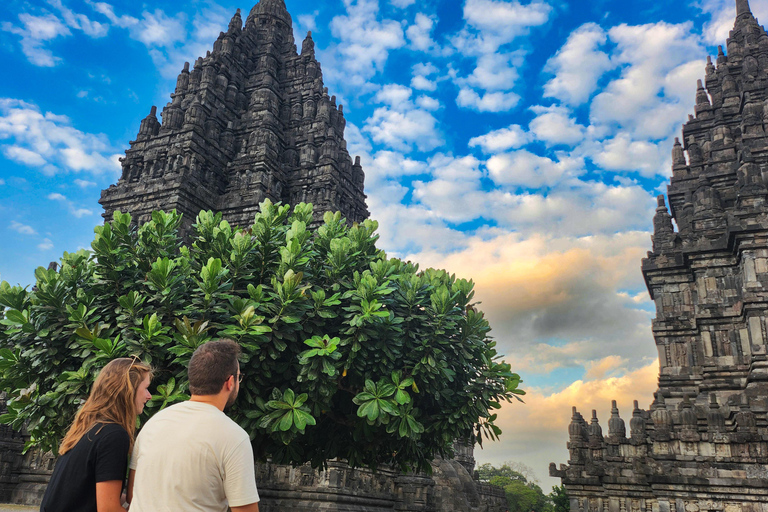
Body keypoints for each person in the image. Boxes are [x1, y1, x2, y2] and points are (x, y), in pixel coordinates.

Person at [127, 338, 260, 512]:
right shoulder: (234, 437)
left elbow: (132, 495)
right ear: (229, 382)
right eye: (239, 377)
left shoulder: (154, 424)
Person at [40, 357, 153, 512]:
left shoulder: (88, 429)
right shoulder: (113, 435)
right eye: (146, 388)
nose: (149, 396)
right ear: (128, 390)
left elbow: (88, 494)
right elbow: (108, 509)